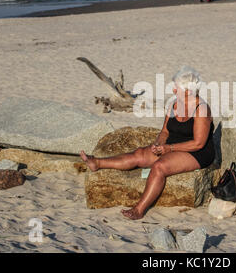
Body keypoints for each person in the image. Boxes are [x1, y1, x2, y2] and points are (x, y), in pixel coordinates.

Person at [80, 66, 215, 220]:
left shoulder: (201, 109)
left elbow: (198, 143)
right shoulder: (174, 104)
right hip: (173, 144)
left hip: (197, 151)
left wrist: (168, 148)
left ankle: (139, 209)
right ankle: (97, 163)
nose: (173, 91)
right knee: (140, 154)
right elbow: (165, 131)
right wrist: (158, 144)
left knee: (160, 166)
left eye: (177, 88)